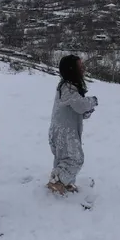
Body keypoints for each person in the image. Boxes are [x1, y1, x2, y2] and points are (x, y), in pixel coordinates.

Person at [47, 55, 98, 194]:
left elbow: (77, 109)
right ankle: (57, 181)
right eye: (80, 67)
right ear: (72, 70)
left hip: (61, 130)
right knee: (75, 159)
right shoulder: (68, 88)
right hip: (65, 132)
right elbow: (80, 105)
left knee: (64, 159)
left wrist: (87, 111)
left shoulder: (68, 87)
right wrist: (92, 101)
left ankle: (66, 183)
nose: (83, 69)